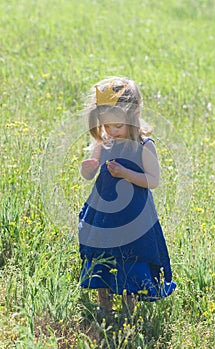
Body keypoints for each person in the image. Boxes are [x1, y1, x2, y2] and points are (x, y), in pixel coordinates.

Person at [78, 77, 176, 320]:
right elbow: (89, 173)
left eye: (117, 126)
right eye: (106, 125)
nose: (111, 131)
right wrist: (88, 168)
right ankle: (105, 307)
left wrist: (125, 174)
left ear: (134, 117)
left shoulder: (144, 146)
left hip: (134, 214)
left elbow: (152, 180)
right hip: (104, 212)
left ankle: (128, 311)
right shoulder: (105, 141)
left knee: (130, 259)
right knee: (103, 257)